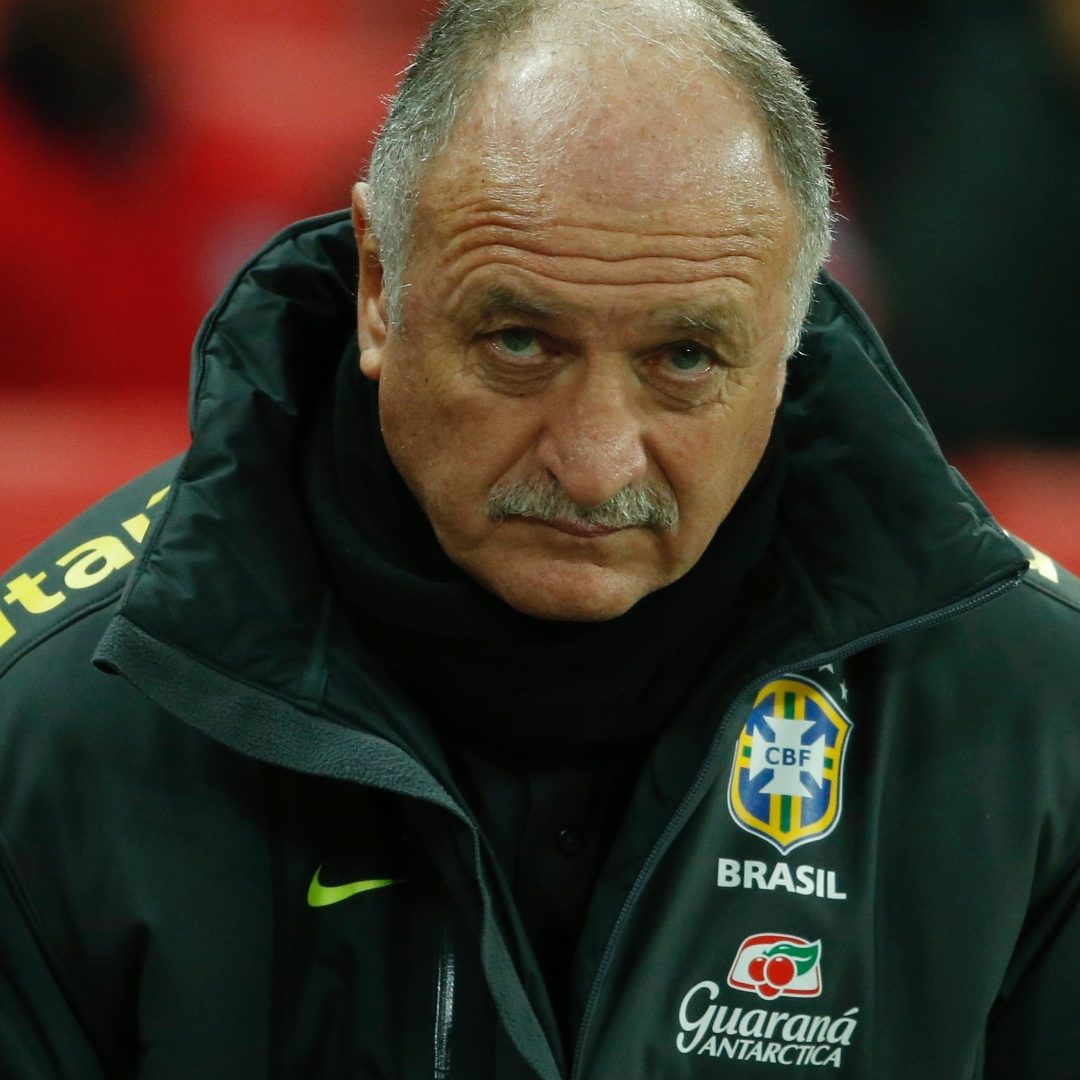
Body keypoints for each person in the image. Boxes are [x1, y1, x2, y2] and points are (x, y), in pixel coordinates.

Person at [1, 0, 1078, 1076]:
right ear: (379, 287)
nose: (596, 462)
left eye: (685, 359)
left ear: (791, 333)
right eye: (519, 343)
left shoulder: (1036, 724)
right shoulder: (49, 733)